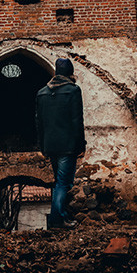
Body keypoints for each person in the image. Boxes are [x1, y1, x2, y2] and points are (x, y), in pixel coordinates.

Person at [35, 57, 85, 229]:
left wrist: (42, 146)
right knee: (64, 183)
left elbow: (39, 123)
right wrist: (81, 145)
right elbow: (76, 120)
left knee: (58, 181)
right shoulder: (73, 91)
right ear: (70, 74)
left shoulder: (41, 93)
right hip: (67, 145)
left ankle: (60, 217)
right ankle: (57, 220)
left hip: (50, 145)